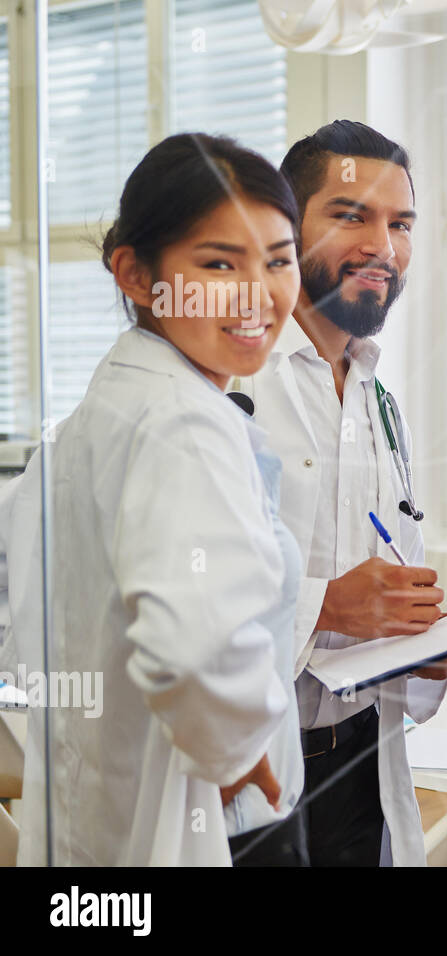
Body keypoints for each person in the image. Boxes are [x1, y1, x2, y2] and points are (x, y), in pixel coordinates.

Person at [0, 133, 304, 865]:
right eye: (219, 263)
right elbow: (193, 641)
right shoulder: (184, 422)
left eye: (279, 260)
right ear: (136, 275)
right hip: (201, 813)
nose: (258, 293)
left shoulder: (101, 413)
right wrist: (236, 746)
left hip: (94, 813)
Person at [229, 120, 447, 867]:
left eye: (401, 224)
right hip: (249, 777)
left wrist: (424, 644)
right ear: (287, 229)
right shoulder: (233, 383)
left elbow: (396, 569)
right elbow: (166, 584)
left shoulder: (380, 404)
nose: (382, 247)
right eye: (351, 215)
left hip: (361, 772)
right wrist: (323, 605)